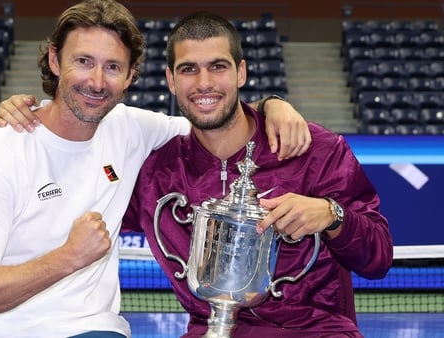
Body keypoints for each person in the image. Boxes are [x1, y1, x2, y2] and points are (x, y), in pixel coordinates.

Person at [0, 1, 310, 337]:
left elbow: (214, 116)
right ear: (55, 61)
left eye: (112, 67)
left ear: (130, 76)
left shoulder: (130, 128)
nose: (97, 82)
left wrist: (272, 105)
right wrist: (68, 257)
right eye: (83, 61)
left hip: (92, 328)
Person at [119, 11, 393, 337]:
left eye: (218, 66)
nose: (204, 82)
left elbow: (378, 259)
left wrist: (333, 216)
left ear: (241, 73)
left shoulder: (315, 150)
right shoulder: (155, 174)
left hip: (317, 331)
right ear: (171, 80)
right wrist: (43, 119)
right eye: (189, 69)